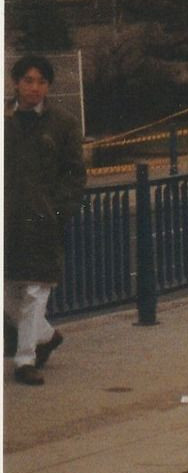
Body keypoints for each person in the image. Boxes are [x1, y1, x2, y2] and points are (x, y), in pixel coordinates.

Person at [4, 55, 86, 386]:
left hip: (41, 221)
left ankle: (25, 359)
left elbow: (74, 172)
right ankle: (47, 336)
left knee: (35, 291)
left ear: (48, 86)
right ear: (16, 82)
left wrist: (58, 209)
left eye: (41, 81)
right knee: (9, 292)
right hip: (7, 219)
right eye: (28, 80)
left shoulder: (62, 123)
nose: (34, 87)